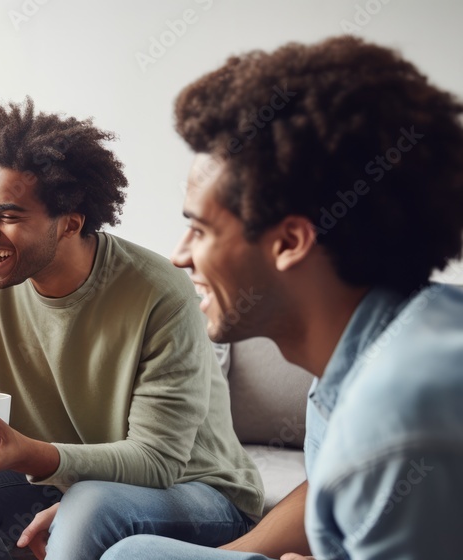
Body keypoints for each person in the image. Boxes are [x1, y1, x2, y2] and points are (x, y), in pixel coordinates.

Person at [101, 35, 463, 559]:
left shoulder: (397, 424)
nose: (180, 257)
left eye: (199, 230)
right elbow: (339, 494)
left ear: (290, 242)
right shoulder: (371, 341)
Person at [0, 96, 264, 560]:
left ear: (70, 224)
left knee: (89, 503)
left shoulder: (161, 294)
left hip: (197, 489)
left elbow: (157, 461)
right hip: (75, 480)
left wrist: (32, 456)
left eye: (8, 216)